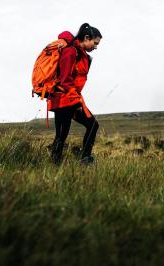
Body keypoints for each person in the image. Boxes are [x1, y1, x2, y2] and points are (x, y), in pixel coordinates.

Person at [49, 23, 102, 165]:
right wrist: (76, 102)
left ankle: (84, 159)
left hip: (70, 99)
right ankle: (56, 165)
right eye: (95, 43)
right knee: (62, 134)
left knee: (91, 125)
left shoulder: (81, 54)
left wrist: (76, 100)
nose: (96, 47)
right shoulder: (70, 51)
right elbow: (65, 80)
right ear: (86, 37)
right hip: (63, 99)